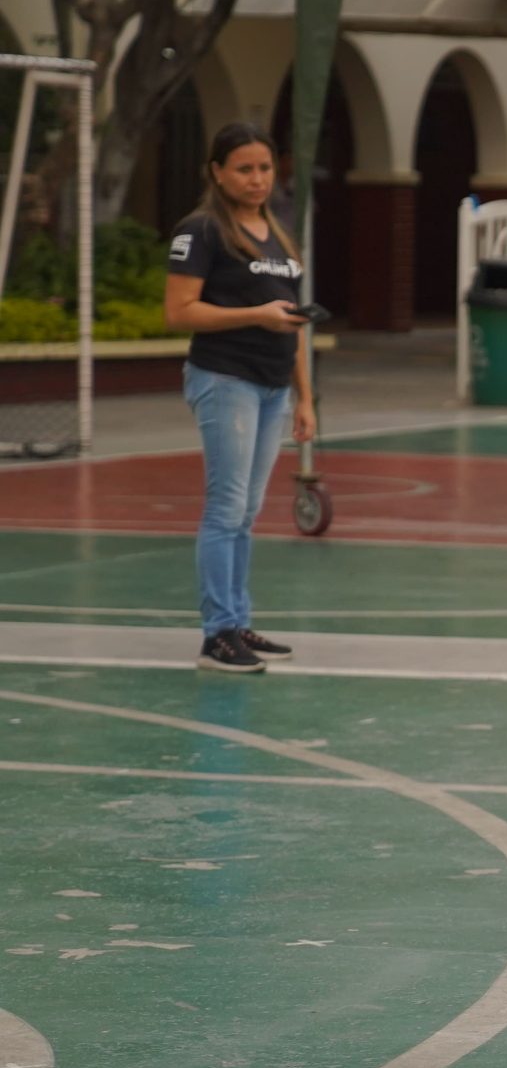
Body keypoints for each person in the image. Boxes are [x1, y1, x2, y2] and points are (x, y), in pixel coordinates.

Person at [163, 123, 316, 677]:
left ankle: (237, 621)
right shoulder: (201, 230)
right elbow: (179, 311)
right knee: (225, 509)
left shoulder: (278, 234)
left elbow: (293, 323)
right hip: (226, 379)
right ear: (218, 172)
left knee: (246, 513)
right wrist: (255, 315)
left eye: (265, 168)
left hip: (273, 386)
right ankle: (217, 635)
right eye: (245, 169)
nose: (257, 179)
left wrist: (305, 397)